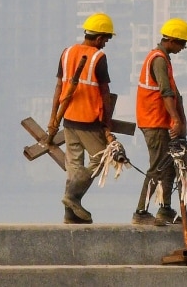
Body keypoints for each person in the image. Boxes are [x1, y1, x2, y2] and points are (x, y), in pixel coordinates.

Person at [46, 12, 116, 224]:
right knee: (102, 158)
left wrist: (53, 118)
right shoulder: (98, 57)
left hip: (68, 119)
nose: (105, 44)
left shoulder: (67, 53)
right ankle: (72, 197)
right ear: (98, 37)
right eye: (105, 39)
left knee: (74, 166)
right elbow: (104, 92)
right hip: (88, 120)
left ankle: (71, 214)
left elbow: (59, 86)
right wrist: (107, 124)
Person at [131, 18, 187, 226]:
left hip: (161, 122)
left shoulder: (164, 59)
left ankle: (165, 209)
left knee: (169, 168)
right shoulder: (158, 59)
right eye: (182, 43)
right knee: (157, 167)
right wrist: (176, 119)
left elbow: (174, 92)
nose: (183, 48)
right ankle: (140, 212)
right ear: (172, 40)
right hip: (155, 122)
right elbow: (166, 92)